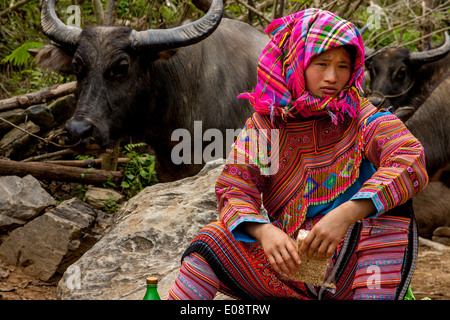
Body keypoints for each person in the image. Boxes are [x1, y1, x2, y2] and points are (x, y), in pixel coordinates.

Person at [168, 8, 428, 300]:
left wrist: (346, 213)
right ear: (297, 61)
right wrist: (265, 231)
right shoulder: (266, 125)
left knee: (393, 207)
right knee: (209, 242)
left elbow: (410, 159)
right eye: (322, 63)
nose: (332, 77)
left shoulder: (364, 117)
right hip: (296, 264)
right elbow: (235, 188)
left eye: (343, 66)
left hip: (361, 266)